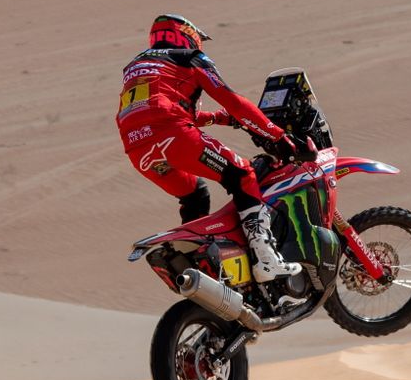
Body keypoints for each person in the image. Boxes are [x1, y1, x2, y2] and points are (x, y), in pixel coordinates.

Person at [117, 14, 305, 281]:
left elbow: (157, 109)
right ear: (187, 35)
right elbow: (234, 101)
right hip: (174, 138)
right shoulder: (189, 57)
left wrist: (219, 119)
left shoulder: (138, 66)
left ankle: (194, 261)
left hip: (139, 149)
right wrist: (276, 136)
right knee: (242, 174)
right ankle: (266, 259)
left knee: (195, 195)